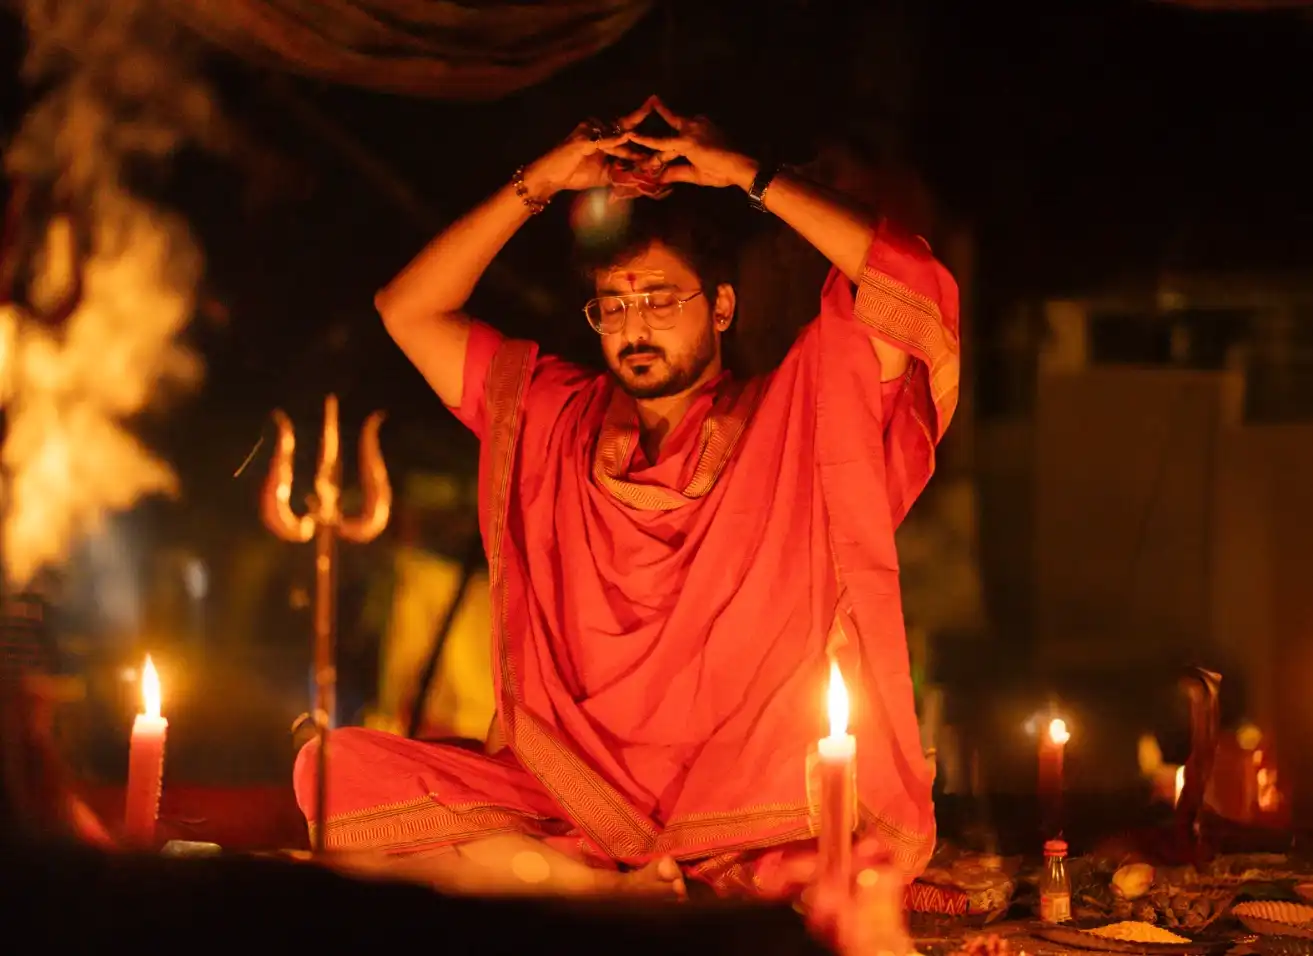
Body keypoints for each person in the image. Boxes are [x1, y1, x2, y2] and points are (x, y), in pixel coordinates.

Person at [296, 96, 960, 900]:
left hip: (747, 804)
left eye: (659, 299)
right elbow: (408, 309)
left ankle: (590, 886)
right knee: (334, 772)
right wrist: (539, 183)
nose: (634, 327)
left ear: (720, 306)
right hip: (573, 792)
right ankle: (611, 886)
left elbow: (904, 281)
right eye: (613, 305)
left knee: (819, 852)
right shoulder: (552, 414)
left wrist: (743, 175)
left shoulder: (793, 418)